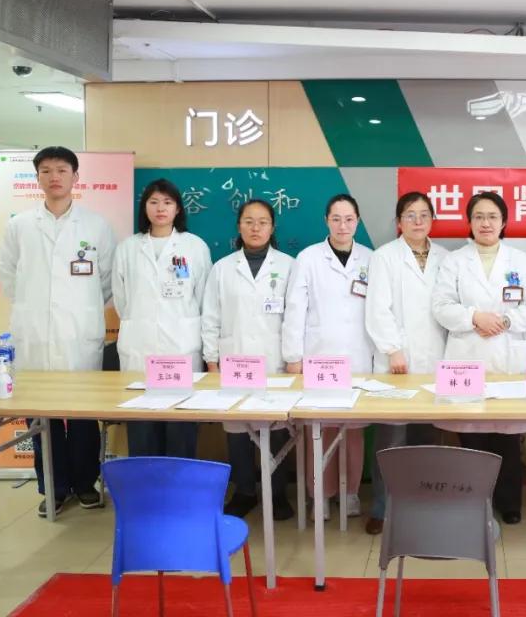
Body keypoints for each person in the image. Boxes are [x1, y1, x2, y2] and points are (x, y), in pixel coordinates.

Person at [0, 146, 116, 517]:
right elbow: (8, 275)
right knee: (41, 418)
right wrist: (37, 308)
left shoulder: (96, 225)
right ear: (37, 178)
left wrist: (77, 308)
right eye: (46, 170)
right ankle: (52, 487)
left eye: (62, 170)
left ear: (75, 177)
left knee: (82, 415)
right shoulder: (19, 225)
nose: (54, 177)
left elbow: (107, 281)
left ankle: (85, 484)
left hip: (79, 333)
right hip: (34, 333)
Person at [432, 191, 526, 524]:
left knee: (507, 434)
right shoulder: (454, 261)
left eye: (492, 216)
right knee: (472, 435)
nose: (485, 223)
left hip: (508, 353)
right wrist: (474, 317)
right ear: (469, 222)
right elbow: (441, 306)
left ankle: (509, 502)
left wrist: (505, 321)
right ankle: (473, 501)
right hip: (467, 354)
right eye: (479, 216)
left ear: (504, 221)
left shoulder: (520, 260)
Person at [202, 199, 294, 520]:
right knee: (238, 430)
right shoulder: (222, 268)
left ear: (272, 227)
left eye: (263, 222)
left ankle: (277, 493)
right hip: (235, 360)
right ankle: (244, 491)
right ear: (239, 226)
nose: (256, 228)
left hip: (274, 361)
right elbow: (210, 317)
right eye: (249, 221)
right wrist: (211, 361)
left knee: (277, 431)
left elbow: (295, 318)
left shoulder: (288, 266)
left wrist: (293, 358)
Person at [363, 192, 448, 534]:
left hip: (435, 359)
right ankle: (382, 508)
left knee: (427, 439)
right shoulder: (384, 257)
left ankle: (423, 503)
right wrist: (393, 349)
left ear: (432, 220)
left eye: (424, 214)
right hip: (396, 362)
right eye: (410, 215)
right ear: (399, 221)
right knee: (391, 440)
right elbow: (377, 308)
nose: (417, 221)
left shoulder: (445, 257)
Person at [284, 194, 372, 520]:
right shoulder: (308, 258)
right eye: (336, 219)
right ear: (326, 221)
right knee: (319, 431)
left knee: (353, 431)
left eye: (349, 219)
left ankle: (350, 493)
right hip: (319, 356)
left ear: (357, 221)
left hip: (359, 357)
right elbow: (295, 310)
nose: (342, 225)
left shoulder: (370, 259)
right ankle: (319, 494)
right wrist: (293, 356)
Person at [112, 179, 211, 458]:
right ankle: (146, 483)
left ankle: (179, 483)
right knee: (142, 426)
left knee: (181, 426)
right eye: (154, 202)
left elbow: (203, 298)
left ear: (178, 209)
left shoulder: (195, 247)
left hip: (181, 348)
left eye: (167, 202)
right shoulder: (128, 248)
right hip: (139, 348)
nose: (160, 208)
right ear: (144, 207)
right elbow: (121, 300)